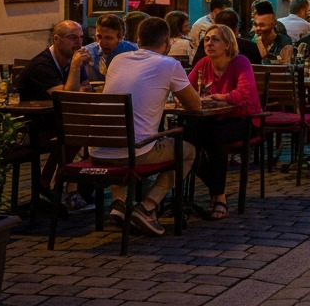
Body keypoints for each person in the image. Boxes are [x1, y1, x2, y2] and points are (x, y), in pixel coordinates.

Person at [95, 17, 200, 236]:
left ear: (138, 40)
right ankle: (147, 207)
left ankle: (119, 203)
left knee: (123, 133)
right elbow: (195, 105)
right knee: (188, 151)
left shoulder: (118, 60)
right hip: (136, 152)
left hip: (98, 149)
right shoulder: (169, 64)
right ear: (167, 42)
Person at [185, 24, 259, 221]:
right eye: (207, 39)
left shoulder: (240, 62)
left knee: (213, 136)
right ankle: (214, 185)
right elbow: (186, 89)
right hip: (214, 118)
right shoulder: (203, 63)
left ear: (227, 44)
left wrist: (217, 97)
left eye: (215, 39)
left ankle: (219, 196)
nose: (209, 43)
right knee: (185, 138)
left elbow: (243, 95)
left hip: (244, 119)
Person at [16, 20, 91, 210]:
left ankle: (54, 183)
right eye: (72, 38)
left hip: (55, 121)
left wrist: (77, 74)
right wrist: (75, 69)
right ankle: (55, 184)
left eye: (81, 38)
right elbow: (67, 98)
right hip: (29, 128)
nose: (78, 43)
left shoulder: (72, 58)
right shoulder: (42, 64)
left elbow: (86, 89)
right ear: (57, 39)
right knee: (76, 132)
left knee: (82, 129)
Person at [83, 13, 138, 82]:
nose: (102, 42)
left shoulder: (134, 52)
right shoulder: (87, 52)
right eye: (99, 36)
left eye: (108, 38)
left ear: (121, 38)